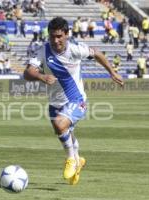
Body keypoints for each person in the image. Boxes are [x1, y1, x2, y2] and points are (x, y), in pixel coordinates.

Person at [23, 17, 123, 185]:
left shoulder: (76, 48)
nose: (55, 40)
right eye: (52, 36)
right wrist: (41, 76)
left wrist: (112, 72)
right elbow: (27, 72)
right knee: (65, 132)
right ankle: (78, 160)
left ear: (67, 35)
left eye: (59, 36)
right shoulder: (43, 51)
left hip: (77, 100)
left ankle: (71, 159)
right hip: (55, 103)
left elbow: (97, 53)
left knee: (60, 125)